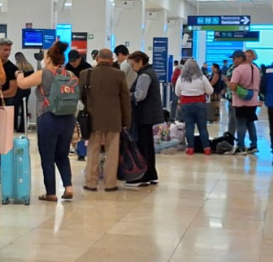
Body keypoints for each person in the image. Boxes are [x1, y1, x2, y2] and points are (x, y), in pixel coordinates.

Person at [16, 40, 79, 202]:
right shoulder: (69, 74)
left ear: (49, 59)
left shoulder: (44, 73)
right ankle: (68, 187)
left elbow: (22, 85)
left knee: (47, 156)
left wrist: (19, 74)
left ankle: (51, 193)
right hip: (68, 118)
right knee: (62, 155)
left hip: (49, 118)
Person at [81, 48, 131, 190]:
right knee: (112, 152)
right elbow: (125, 100)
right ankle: (110, 183)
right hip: (114, 119)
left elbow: (81, 96)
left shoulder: (86, 74)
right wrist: (126, 120)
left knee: (93, 151)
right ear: (111, 60)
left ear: (97, 58)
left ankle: (91, 182)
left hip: (93, 118)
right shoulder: (119, 75)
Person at [127, 51, 163, 186]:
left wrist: (128, 95)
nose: (132, 68)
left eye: (133, 64)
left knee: (143, 146)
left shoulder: (144, 75)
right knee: (148, 145)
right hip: (149, 115)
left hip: (144, 115)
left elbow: (139, 95)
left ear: (140, 61)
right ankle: (151, 174)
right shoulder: (150, 72)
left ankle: (144, 175)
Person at [175, 58, 214, 155]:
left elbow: (177, 93)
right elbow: (210, 91)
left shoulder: (181, 78)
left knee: (189, 126)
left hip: (186, 105)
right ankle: (207, 148)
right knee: (202, 127)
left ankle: (190, 148)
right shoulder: (202, 77)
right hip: (200, 104)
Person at [230, 49, 261, 154]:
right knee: (250, 123)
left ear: (239, 58)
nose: (233, 61)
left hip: (240, 102)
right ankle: (254, 145)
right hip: (253, 101)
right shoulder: (256, 69)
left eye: (234, 59)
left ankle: (241, 146)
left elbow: (233, 86)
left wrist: (227, 82)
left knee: (241, 124)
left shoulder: (238, 70)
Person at [0, 38, 23, 131]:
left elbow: (12, 91)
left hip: (5, 105)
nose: (7, 53)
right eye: (5, 50)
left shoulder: (12, 68)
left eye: (9, 50)